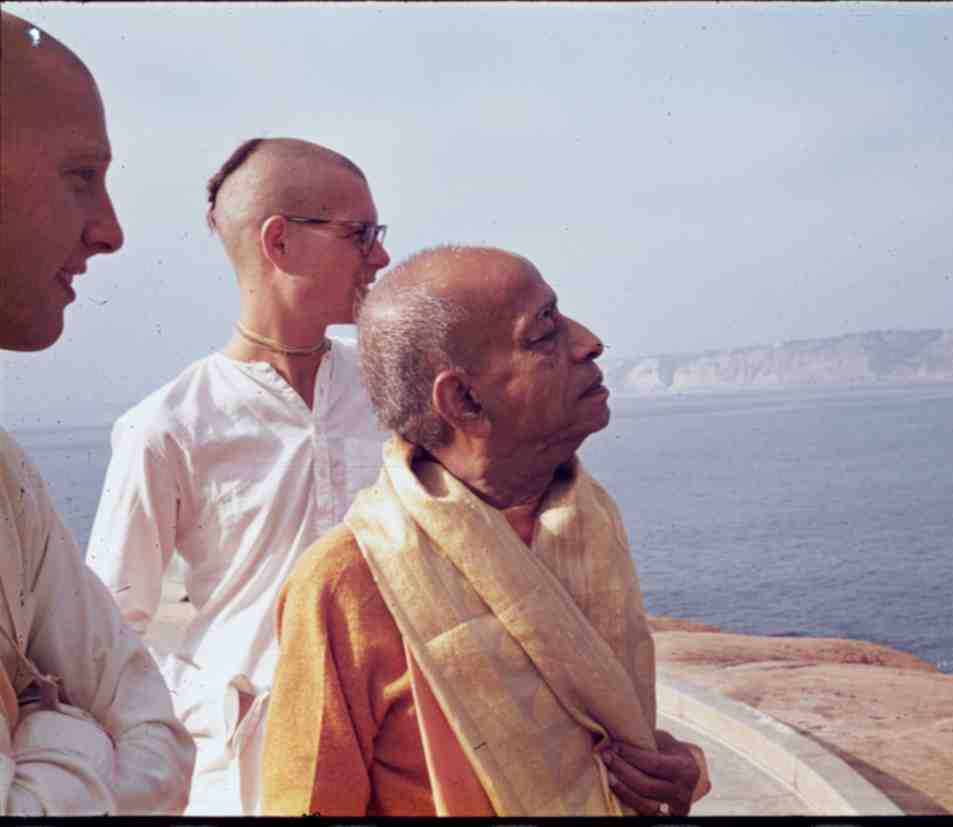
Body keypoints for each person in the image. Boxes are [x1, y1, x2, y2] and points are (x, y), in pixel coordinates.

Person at [260, 245, 711, 816]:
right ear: (464, 400)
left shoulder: (588, 519)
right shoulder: (347, 581)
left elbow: (600, 734)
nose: (590, 341)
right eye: (544, 333)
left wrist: (680, 774)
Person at [84, 137, 392, 814]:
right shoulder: (167, 425)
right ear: (279, 242)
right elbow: (103, 633)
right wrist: (221, 699)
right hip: (247, 779)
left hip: (399, 763)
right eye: (361, 234)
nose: (381, 257)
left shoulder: (391, 390)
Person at [0, 11, 195, 815]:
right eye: (81, 175)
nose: (110, 232)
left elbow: (160, 738)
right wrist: (70, 730)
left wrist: (34, 733)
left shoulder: (7, 473)